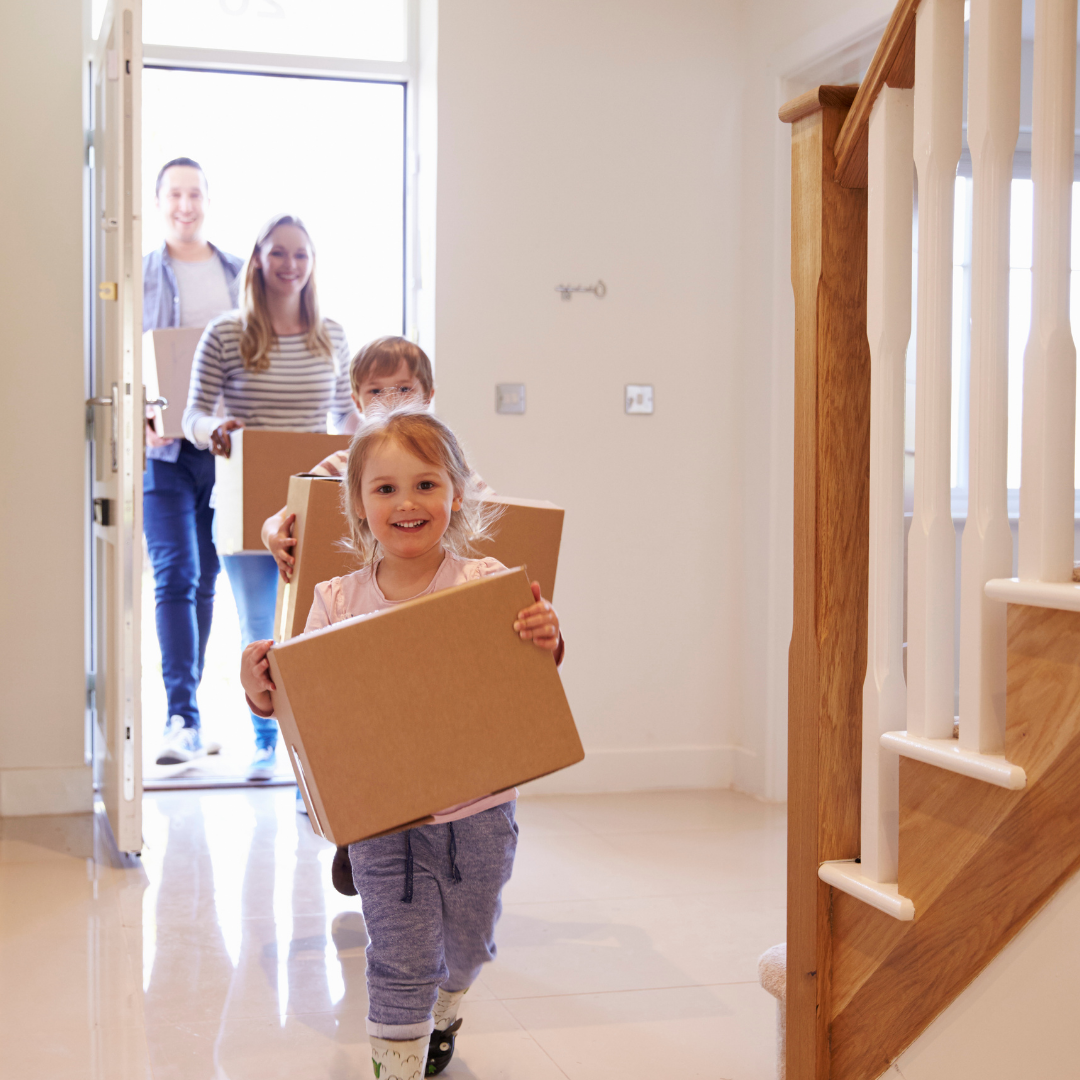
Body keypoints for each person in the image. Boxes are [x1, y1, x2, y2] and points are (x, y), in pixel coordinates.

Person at [239, 405, 563, 1080]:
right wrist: (259, 684)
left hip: (479, 812)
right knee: (398, 954)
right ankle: (399, 1058)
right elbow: (303, 708)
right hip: (383, 821)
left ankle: (448, 1005)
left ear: (457, 494)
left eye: (425, 484)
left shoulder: (485, 582)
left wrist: (546, 636)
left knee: (466, 944)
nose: (406, 503)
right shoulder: (335, 600)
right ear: (357, 507)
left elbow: (527, 678)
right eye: (384, 489)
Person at [182, 213, 359, 782]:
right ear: (258, 259)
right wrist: (212, 429)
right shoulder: (228, 333)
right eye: (278, 254)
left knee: (320, 629)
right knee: (261, 627)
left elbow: (345, 416)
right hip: (244, 506)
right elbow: (192, 413)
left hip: (313, 507)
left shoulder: (330, 334)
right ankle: (266, 741)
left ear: (312, 263)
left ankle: (313, 753)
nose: (290, 265)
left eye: (300, 255)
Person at [143, 157, 244, 766]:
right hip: (164, 451)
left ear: (207, 200)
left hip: (224, 448)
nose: (185, 204)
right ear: (160, 203)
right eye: (175, 194)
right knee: (174, 573)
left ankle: (194, 709)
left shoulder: (235, 273)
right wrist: (137, 417)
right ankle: (180, 714)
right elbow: (123, 347)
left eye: (195, 194)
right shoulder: (144, 273)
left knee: (207, 579)